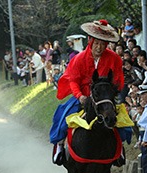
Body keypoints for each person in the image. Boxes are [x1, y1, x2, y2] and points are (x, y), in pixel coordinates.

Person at [51, 19, 124, 164]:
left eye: (103, 44)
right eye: (96, 43)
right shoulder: (79, 59)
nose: (99, 47)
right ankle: (60, 145)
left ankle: (119, 150)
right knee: (63, 115)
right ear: (90, 41)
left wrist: (111, 95)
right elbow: (73, 80)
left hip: (103, 96)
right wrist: (80, 97)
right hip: (83, 95)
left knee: (120, 120)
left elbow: (117, 80)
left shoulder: (114, 58)